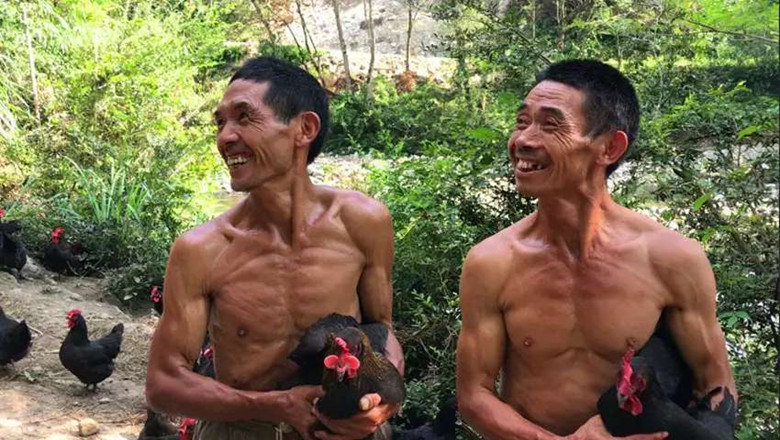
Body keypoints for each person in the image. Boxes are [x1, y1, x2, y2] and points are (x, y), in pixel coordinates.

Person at [455, 59, 736, 440]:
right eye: (522, 122)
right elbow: (474, 396)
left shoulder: (671, 259)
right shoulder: (492, 262)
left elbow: (714, 383)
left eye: (550, 125)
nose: (523, 140)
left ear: (609, 147)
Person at [145, 56, 404, 440]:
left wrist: (385, 397)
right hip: (240, 431)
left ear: (304, 129)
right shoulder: (202, 250)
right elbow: (163, 383)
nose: (224, 137)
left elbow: (381, 328)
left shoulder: (363, 222)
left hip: (345, 432)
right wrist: (274, 405)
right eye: (220, 123)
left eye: (244, 117)